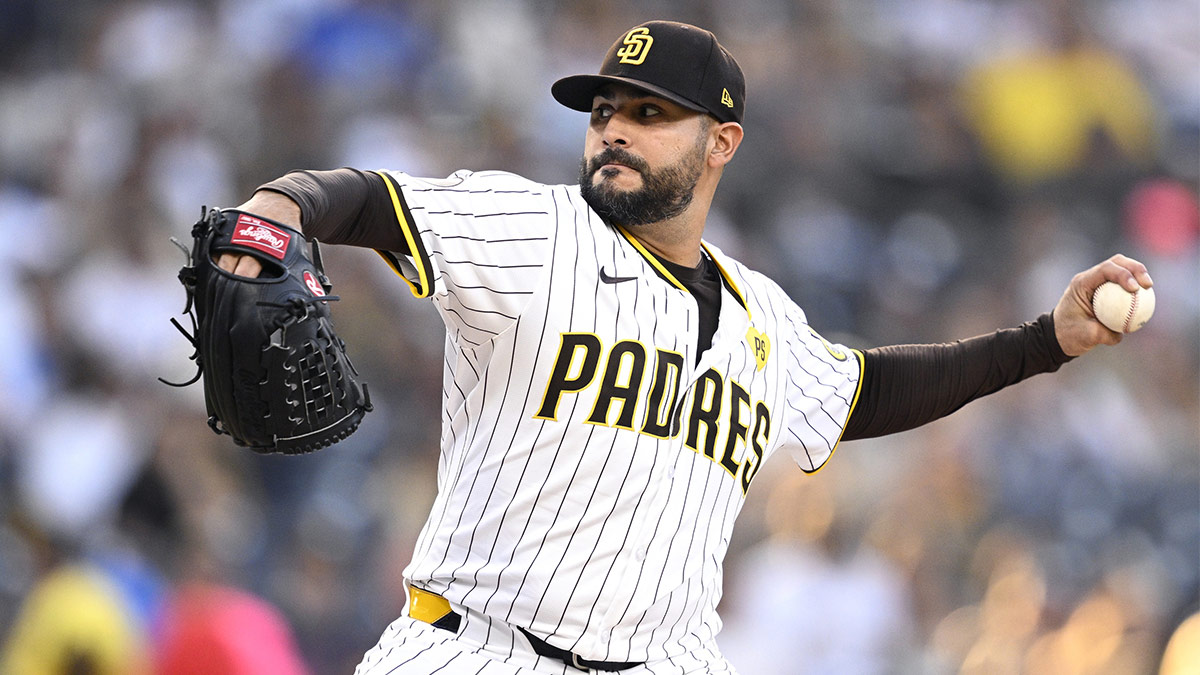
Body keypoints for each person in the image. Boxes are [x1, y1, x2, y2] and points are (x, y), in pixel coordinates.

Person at [214, 20, 1153, 675]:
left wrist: (1043, 342)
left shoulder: (765, 314)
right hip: (473, 647)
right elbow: (368, 198)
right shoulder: (535, 230)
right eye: (603, 110)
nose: (615, 128)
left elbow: (864, 391)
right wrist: (279, 209)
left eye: (650, 113)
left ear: (722, 141)